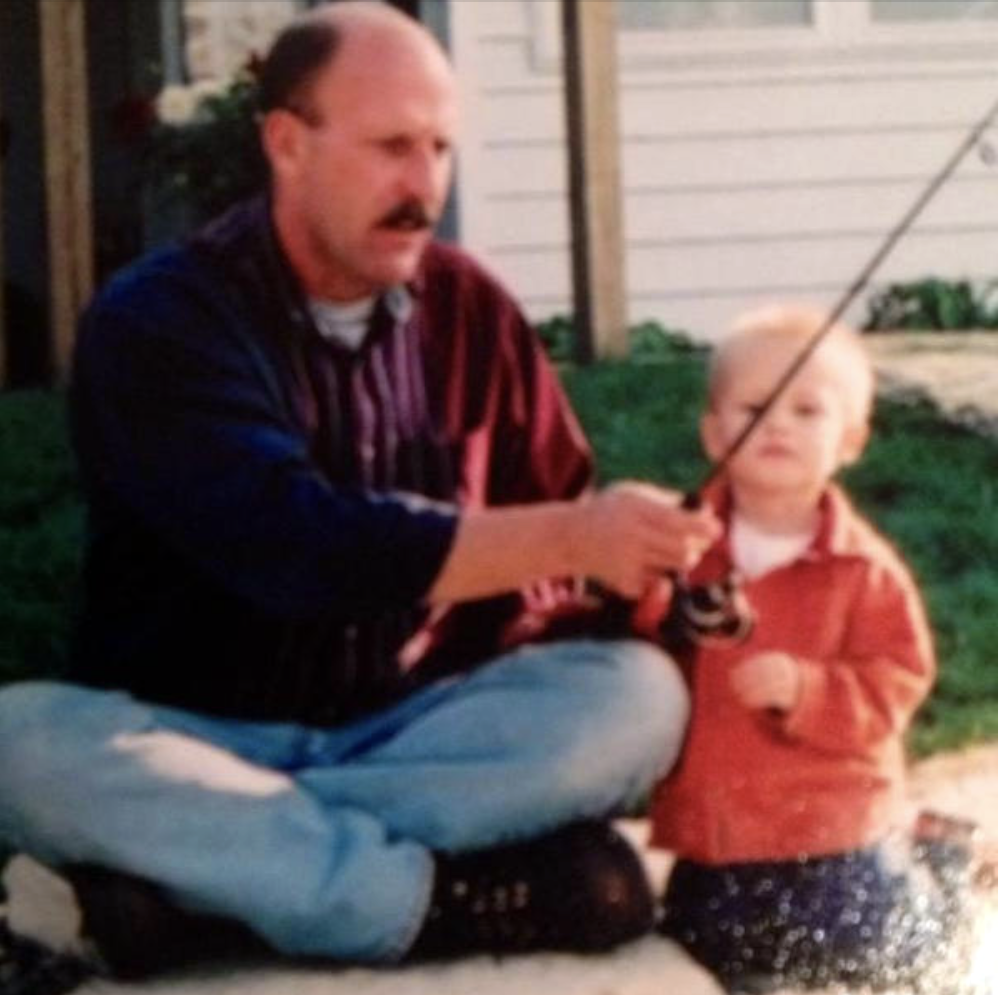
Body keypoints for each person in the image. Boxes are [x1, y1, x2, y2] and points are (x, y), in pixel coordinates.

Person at [0, 1, 720, 981]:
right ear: (286, 143)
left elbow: (558, 556)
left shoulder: (470, 308)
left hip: (416, 723)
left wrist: (646, 585)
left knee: (636, 697)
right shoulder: (159, 320)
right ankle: (414, 897)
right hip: (201, 728)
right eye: (390, 147)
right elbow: (298, 546)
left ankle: (216, 878)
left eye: (439, 149)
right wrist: (570, 535)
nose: (423, 187)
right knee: (18, 741)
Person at [637, 305, 968, 993]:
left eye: (805, 409)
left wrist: (807, 688)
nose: (777, 424)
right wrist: (651, 606)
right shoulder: (685, 549)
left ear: (850, 440)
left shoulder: (864, 571)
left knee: (881, 946)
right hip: (718, 832)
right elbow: (636, 652)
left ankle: (944, 873)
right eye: (754, 407)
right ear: (712, 432)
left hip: (831, 829)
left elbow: (895, 685)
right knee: (708, 934)